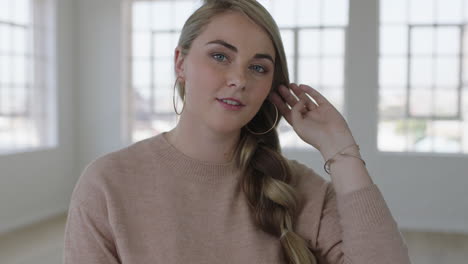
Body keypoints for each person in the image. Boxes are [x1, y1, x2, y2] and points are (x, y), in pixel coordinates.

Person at [63, 0, 411, 263]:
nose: (239, 80)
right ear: (180, 64)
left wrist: (342, 150)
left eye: (258, 67)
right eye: (219, 56)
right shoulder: (107, 184)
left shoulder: (298, 190)